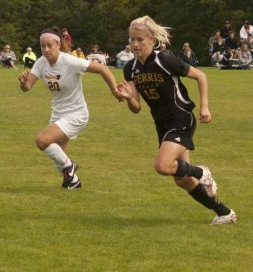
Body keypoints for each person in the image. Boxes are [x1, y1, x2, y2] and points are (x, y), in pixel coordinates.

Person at [117, 15, 236, 224]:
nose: (134, 44)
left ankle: (202, 172)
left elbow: (201, 76)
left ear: (151, 39)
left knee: (163, 165)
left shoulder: (165, 59)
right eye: (132, 39)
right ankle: (224, 212)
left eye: (140, 40)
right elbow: (136, 108)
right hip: (162, 123)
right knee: (182, 179)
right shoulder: (131, 69)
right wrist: (128, 98)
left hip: (181, 118)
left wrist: (205, 106)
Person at [18, 26, 123, 189]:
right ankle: (73, 181)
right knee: (58, 157)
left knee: (42, 141)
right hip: (57, 114)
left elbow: (102, 69)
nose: (46, 50)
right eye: (42, 46)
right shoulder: (41, 62)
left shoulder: (69, 61)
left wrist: (115, 91)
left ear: (58, 44)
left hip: (76, 114)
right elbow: (27, 87)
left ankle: (70, 166)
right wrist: (24, 82)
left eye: (49, 45)